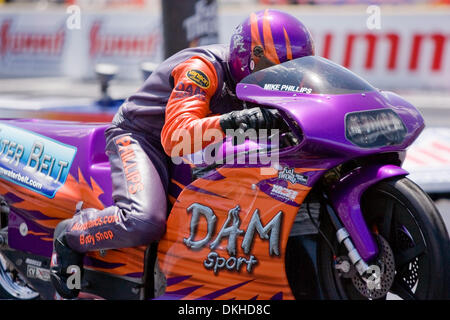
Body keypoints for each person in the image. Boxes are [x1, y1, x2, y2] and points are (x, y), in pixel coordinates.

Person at [49, 9, 315, 299]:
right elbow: (175, 137)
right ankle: (70, 234)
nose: (280, 78)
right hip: (144, 137)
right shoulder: (203, 68)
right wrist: (236, 121)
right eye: (272, 67)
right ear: (248, 54)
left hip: (204, 145)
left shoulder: (278, 79)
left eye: (290, 70)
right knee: (143, 221)